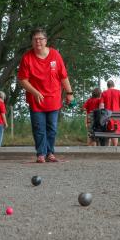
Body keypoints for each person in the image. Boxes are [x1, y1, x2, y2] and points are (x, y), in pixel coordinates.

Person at [18, 28, 74, 163]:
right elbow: (22, 80)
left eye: (41, 39)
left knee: (52, 128)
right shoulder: (27, 58)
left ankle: (50, 153)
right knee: (39, 128)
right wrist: (35, 92)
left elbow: (63, 76)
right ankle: (41, 154)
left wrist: (70, 93)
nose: (38, 41)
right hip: (36, 100)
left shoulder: (55, 55)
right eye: (35, 39)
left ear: (46, 40)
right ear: (32, 41)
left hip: (53, 99)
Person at [99, 80, 120, 146]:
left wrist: (101, 114)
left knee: (108, 130)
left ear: (107, 86)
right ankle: (115, 148)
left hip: (107, 117)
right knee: (115, 132)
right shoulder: (118, 92)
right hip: (117, 117)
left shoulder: (104, 93)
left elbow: (101, 106)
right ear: (113, 85)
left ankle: (108, 149)